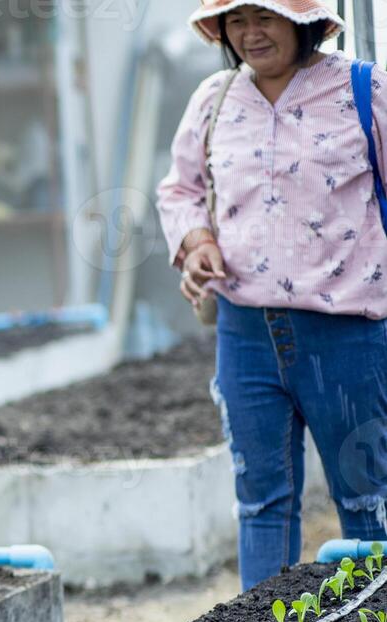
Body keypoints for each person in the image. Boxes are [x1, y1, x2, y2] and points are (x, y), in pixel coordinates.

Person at [156, 0, 387, 590]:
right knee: (261, 502)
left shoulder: (363, 90)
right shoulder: (214, 101)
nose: (251, 33)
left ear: (301, 21)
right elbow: (179, 189)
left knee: (368, 501)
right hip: (246, 334)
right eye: (237, 21)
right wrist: (197, 239)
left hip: (348, 333)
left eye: (265, 17)